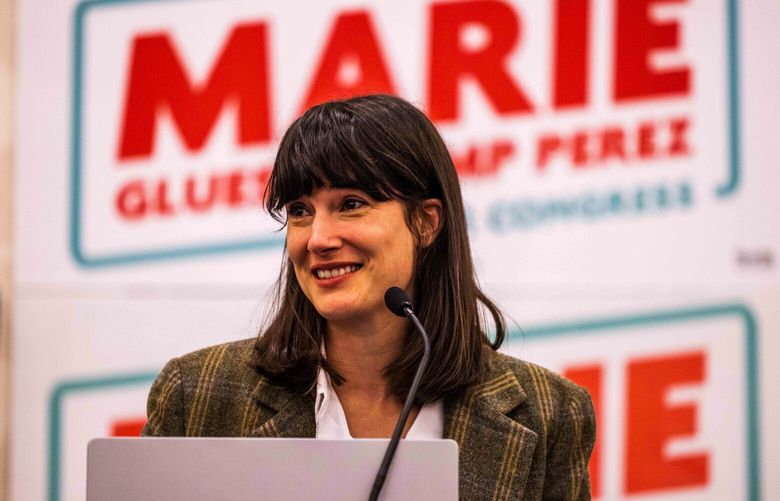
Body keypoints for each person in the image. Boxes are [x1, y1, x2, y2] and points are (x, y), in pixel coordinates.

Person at [143, 94, 596, 499]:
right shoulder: (197, 393)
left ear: (425, 223)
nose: (317, 238)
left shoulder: (549, 413)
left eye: (351, 204)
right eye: (300, 211)